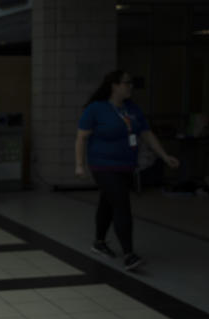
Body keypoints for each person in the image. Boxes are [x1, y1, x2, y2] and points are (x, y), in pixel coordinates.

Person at [76, 70, 180, 271]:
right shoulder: (96, 109)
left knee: (108, 202)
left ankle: (99, 242)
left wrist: (164, 156)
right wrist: (79, 164)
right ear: (114, 85)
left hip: (125, 165)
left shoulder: (131, 109)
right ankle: (129, 254)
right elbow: (81, 138)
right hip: (103, 165)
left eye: (131, 83)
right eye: (127, 83)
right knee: (121, 204)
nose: (130, 86)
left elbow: (146, 133)